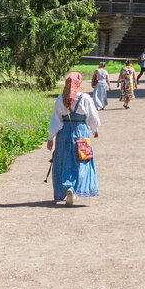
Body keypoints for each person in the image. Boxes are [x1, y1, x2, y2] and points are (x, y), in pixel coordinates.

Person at [47, 72, 101, 206]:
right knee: (81, 160)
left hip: (64, 133)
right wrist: (95, 129)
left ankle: (66, 187)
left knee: (64, 160)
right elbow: (92, 116)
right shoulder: (85, 98)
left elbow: (56, 120)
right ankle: (75, 188)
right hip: (81, 132)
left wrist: (50, 138)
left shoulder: (60, 99)